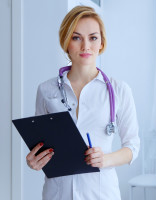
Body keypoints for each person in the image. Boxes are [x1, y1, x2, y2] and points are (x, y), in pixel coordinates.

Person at [25, 5, 140, 200]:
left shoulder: (119, 90)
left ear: (101, 43)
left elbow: (132, 148)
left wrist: (105, 159)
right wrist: (34, 161)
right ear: (66, 42)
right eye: (76, 37)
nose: (86, 46)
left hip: (101, 193)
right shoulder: (46, 90)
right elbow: (40, 146)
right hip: (57, 193)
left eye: (93, 37)